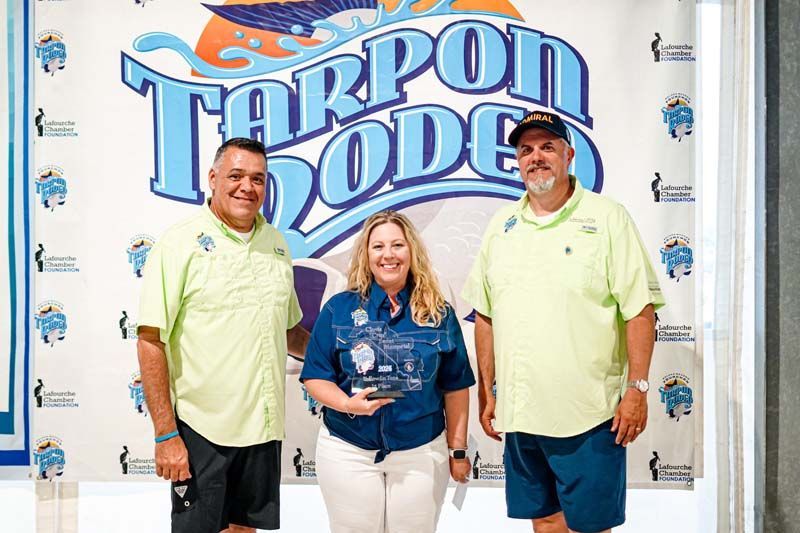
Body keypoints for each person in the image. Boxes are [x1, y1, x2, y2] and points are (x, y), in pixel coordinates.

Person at [462, 110, 664, 533]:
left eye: (547, 147)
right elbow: (485, 314)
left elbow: (639, 310)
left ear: (569, 155)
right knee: (545, 522)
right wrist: (487, 389)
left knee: (591, 526)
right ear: (518, 161)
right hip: (521, 414)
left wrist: (638, 389)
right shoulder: (502, 227)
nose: (536, 157)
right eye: (526, 150)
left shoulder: (607, 218)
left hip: (589, 415)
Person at [136, 137, 309, 533]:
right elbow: (150, 340)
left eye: (258, 179)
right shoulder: (179, 244)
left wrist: (341, 354)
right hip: (202, 430)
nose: (247, 187)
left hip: (262, 428)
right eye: (236, 176)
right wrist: (165, 434)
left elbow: (288, 331)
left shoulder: (276, 244)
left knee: (244, 530)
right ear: (213, 179)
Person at [301, 211, 475, 533]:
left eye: (397, 245)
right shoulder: (339, 309)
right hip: (349, 449)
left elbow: (456, 386)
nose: (388, 255)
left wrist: (458, 450)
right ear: (366, 255)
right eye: (378, 246)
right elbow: (315, 376)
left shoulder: (438, 313)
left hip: (420, 451)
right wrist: (347, 404)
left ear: (412, 251)